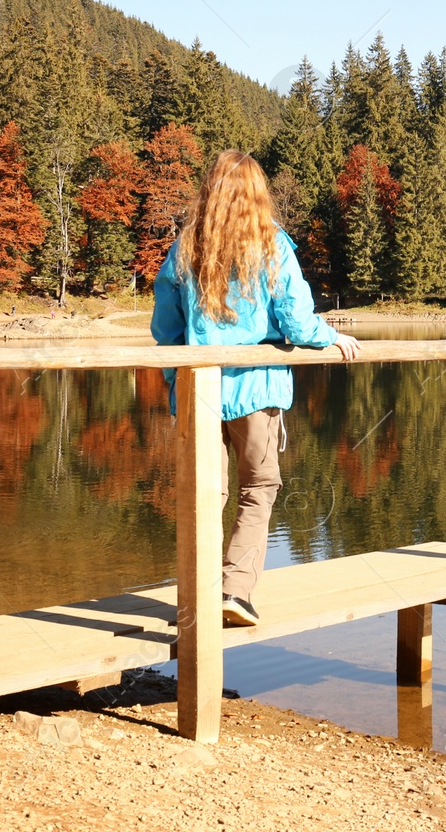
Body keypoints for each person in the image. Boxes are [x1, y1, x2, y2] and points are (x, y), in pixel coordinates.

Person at [151, 150, 360, 627]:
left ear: (210, 193)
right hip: (255, 388)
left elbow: (166, 328)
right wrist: (333, 338)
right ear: (258, 195)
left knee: (207, 493)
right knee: (259, 487)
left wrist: (174, 381)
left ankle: (196, 599)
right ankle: (235, 592)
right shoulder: (272, 245)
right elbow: (297, 320)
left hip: (198, 390)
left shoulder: (186, 248)